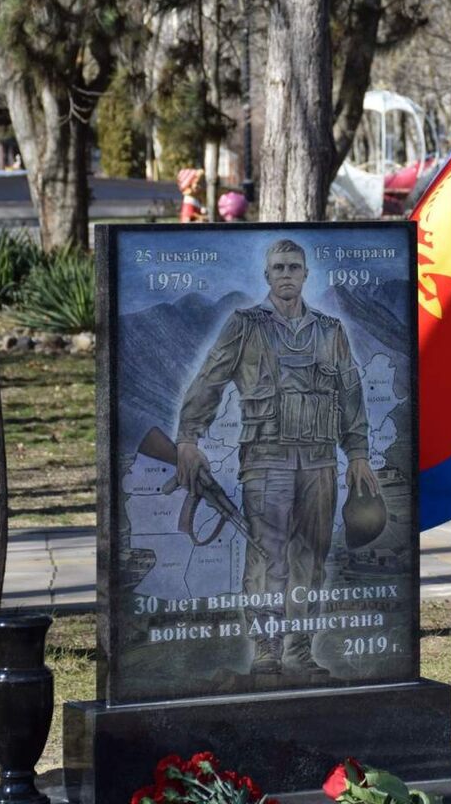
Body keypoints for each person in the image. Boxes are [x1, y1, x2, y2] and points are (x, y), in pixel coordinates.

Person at [174, 238, 379, 675]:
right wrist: (188, 438)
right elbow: (210, 379)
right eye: (279, 268)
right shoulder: (245, 325)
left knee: (311, 558)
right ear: (267, 277)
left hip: (320, 462)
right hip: (266, 461)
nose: (286, 274)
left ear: (306, 276)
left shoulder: (330, 331)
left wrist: (358, 452)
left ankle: (300, 649)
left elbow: (352, 393)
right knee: (267, 556)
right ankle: (267, 648)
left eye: (294, 267)